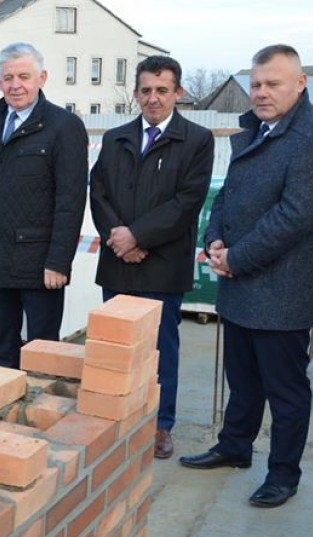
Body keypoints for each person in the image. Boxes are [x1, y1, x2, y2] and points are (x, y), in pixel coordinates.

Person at [181, 45, 313, 508]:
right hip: (241, 285)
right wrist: (215, 239)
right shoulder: (258, 129)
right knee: (243, 380)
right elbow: (228, 195)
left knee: (286, 392)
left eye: (273, 83)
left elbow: (294, 218)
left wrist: (235, 258)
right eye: (255, 84)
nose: (261, 92)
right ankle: (235, 447)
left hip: (284, 293)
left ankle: (283, 474)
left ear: (301, 83)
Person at [90, 55, 215, 460]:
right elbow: (98, 192)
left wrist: (138, 236)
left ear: (178, 92)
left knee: (162, 351)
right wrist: (119, 238)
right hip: (118, 263)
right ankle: (118, 419)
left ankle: (161, 424)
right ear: (136, 93)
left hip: (163, 266)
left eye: (162, 90)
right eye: (146, 90)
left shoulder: (196, 140)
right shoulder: (116, 138)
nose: (153, 98)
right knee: (116, 347)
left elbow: (187, 202)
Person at [0, 42, 88, 374]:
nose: (15, 85)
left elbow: (70, 200)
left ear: (42, 78)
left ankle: (39, 407)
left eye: (24, 77)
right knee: (3, 352)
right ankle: (6, 405)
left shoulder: (63, 126)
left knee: (43, 355)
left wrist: (59, 262)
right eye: (8, 78)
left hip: (40, 265)